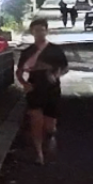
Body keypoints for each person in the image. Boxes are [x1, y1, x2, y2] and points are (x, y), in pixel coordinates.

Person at [18, 17, 69, 164]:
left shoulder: (55, 50)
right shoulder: (27, 52)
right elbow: (19, 72)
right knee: (36, 121)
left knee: (49, 125)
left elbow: (65, 67)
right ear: (32, 32)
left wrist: (56, 74)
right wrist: (24, 83)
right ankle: (39, 153)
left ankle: (50, 137)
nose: (39, 33)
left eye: (42, 30)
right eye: (36, 30)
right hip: (34, 88)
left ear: (46, 31)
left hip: (52, 88)